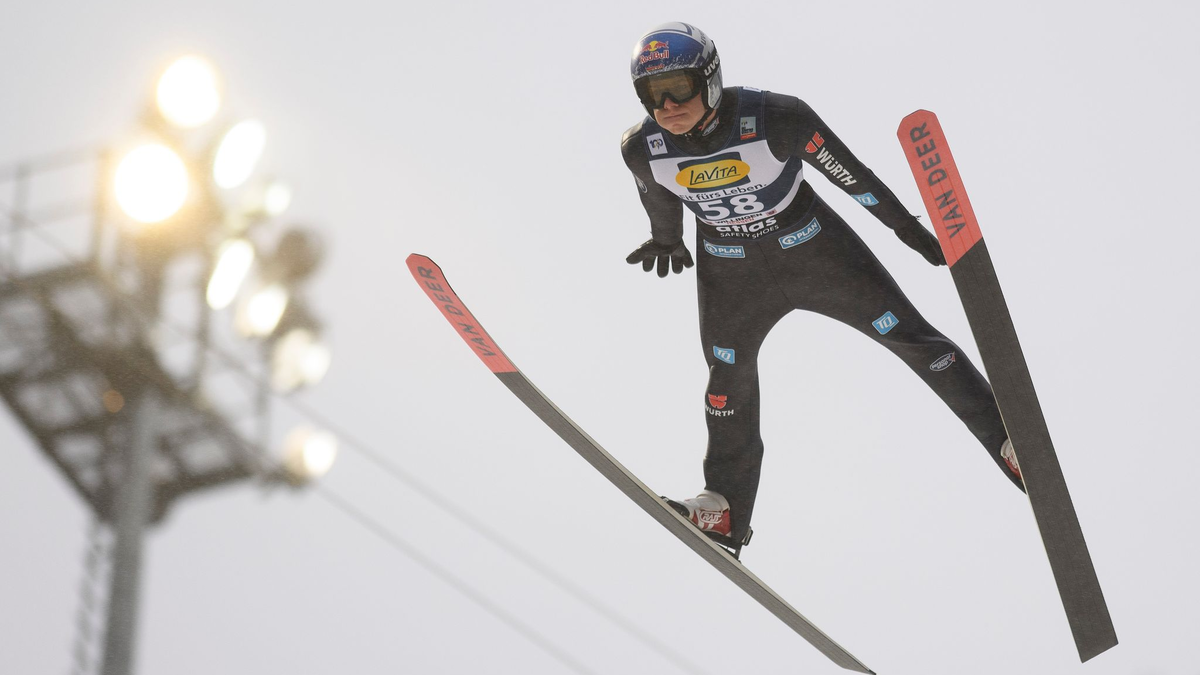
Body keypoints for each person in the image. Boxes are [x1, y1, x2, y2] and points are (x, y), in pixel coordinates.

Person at [621, 22, 1024, 556]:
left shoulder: (776, 116)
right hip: (732, 273)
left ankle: (1011, 443)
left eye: (678, 88)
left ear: (710, 80)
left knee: (911, 338)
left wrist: (904, 228)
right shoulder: (641, 147)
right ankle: (724, 508)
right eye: (652, 94)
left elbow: (850, 175)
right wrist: (666, 239)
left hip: (815, 252)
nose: (668, 106)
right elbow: (657, 196)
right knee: (726, 380)